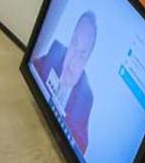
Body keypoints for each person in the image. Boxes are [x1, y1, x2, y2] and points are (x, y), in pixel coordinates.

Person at [32, 11, 97, 154]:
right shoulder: (56, 52)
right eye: (74, 43)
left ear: (87, 60)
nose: (73, 60)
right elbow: (33, 69)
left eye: (82, 54)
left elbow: (78, 148)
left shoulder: (86, 98)